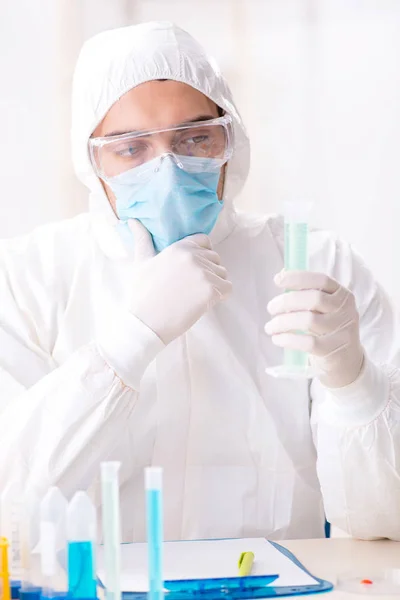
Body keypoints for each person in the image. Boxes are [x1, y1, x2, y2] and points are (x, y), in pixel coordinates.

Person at [1, 21, 400, 543]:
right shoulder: (30, 276)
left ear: (230, 139)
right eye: (129, 148)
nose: (168, 170)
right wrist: (127, 343)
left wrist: (353, 382)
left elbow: (383, 521)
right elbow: (12, 511)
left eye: (195, 138)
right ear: (91, 160)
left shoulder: (317, 268)